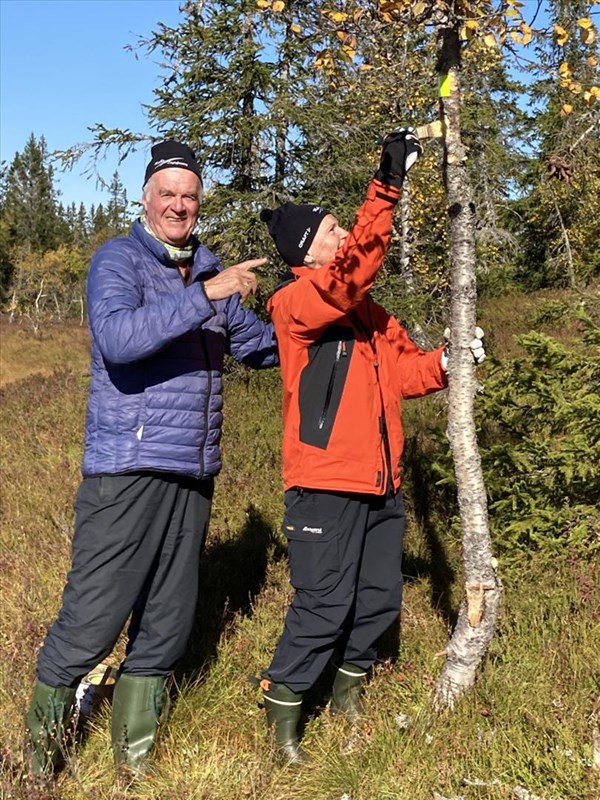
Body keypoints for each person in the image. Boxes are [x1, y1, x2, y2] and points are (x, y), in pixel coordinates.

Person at [25, 140, 278, 778]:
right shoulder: (118, 259)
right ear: (146, 198)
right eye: (167, 193)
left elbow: (264, 348)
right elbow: (119, 339)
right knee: (92, 618)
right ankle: (39, 768)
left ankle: (132, 763)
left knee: (166, 621)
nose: (179, 205)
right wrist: (205, 295)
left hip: (191, 472)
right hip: (126, 470)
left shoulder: (211, 268)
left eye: (189, 196)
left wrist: (327, 310)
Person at [258, 128, 485, 762]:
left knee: (380, 598)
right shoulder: (298, 302)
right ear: (307, 250)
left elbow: (406, 373)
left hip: (381, 483)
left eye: (340, 227)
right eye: (330, 230)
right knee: (323, 604)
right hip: (326, 483)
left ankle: (350, 696)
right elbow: (350, 273)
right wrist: (385, 187)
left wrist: (450, 362)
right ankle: (283, 724)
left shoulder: (371, 314)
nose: (340, 237)